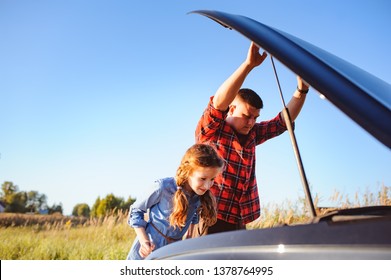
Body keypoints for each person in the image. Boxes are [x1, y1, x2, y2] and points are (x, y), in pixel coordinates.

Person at [195, 42, 310, 234]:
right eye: (246, 115)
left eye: (255, 118)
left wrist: (302, 90)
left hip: (238, 218)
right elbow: (217, 104)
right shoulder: (213, 130)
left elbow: (282, 122)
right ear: (232, 109)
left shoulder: (253, 134)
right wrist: (248, 65)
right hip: (209, 215)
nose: (251, 122)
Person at [126, 143, 225, 260]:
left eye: (212, 179)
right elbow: (136, 211)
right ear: (188, 172)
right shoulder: (162, 187)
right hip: (146, 251)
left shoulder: (198, 196)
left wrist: (187, 244)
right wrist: (144, 241)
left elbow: (193, 220)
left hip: (172, 253)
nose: (207, 185)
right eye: (203, 179)